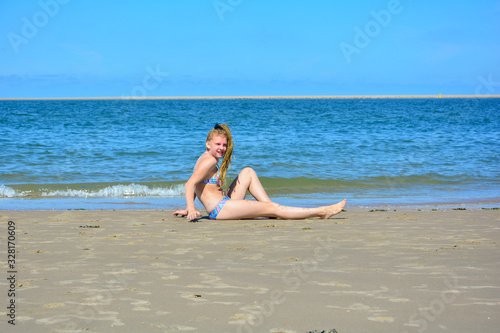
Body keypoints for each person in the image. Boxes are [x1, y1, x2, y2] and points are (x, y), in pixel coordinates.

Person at [173, 124, 346, 221]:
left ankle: (272, 211)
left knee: (248, 172)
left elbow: (198, 184)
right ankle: (322, 211)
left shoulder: (204, 158)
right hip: (220, 210)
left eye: (224, 145)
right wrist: (190, 209)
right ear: (208, 144)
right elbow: (190, 184)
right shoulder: (210, 161)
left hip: (225, 203)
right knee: (273, 207)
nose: (222, 148)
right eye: (218, 144)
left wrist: (189, 208)